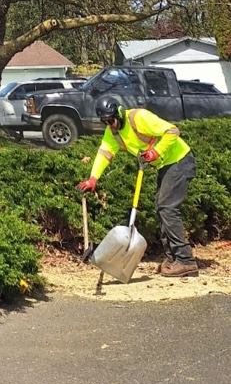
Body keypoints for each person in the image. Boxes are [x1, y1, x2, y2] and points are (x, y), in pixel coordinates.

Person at [78, 96, 197, 277]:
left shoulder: (139, 117)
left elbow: (172, 131)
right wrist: (93, 178)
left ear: (118, 113)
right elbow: (105, 153)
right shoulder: (113, 132)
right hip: (166, 165)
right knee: (161, 207)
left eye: (110, 120)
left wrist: (156, 152)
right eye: (105, 122)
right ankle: (173, 258)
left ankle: (185, 260)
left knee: (167, 207)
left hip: (180, 161)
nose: (109, 125)